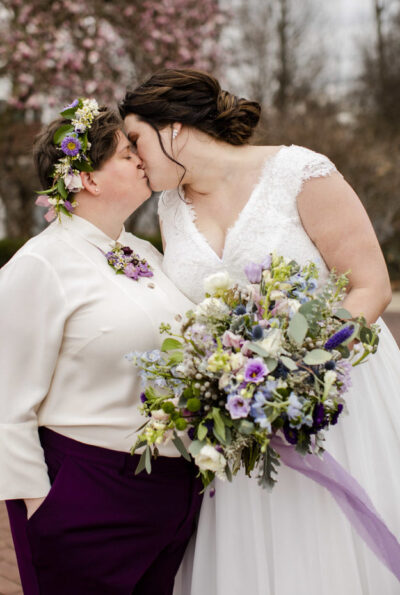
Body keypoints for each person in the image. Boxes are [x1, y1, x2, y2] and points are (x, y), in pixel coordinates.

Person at [120, 68, 400, 594]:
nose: (134, 157)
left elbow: (370, 286)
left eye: (137, 139)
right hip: (240, 410)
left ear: (173, 127)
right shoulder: (169, 208)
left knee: (331, 544)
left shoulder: (300, 173)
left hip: (335, 392)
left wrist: (301, 368)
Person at [0, 99, 203, 594]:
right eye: (126, 154)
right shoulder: (38, 267)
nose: (142, 159)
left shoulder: (145, 252)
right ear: (88, 179)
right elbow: (6, 408)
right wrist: (43, 512)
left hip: (170, 491)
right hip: (89, 494)